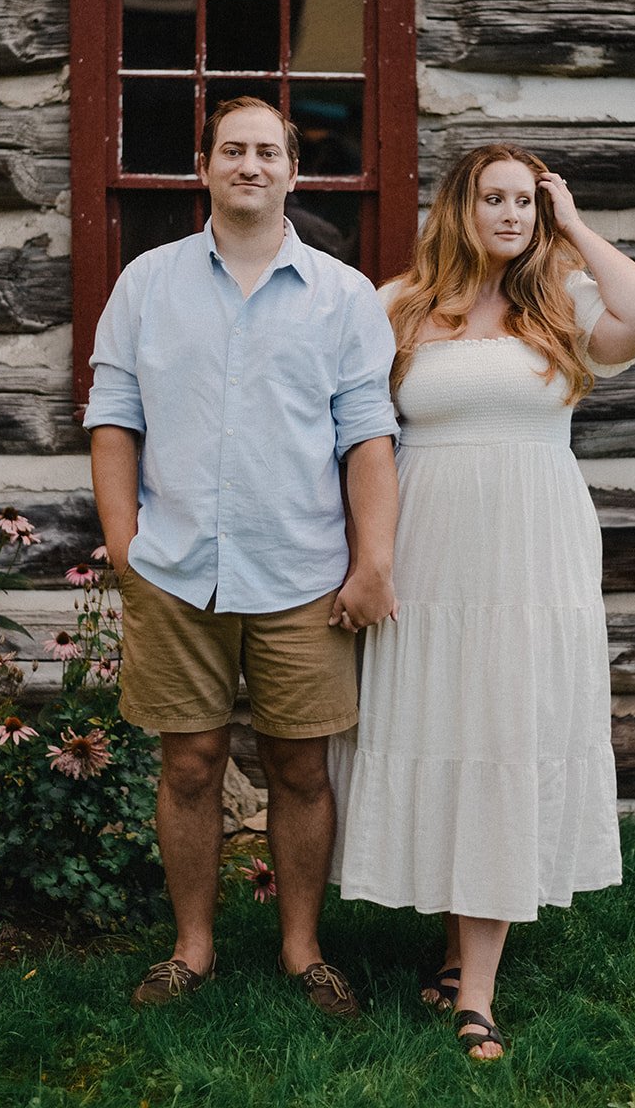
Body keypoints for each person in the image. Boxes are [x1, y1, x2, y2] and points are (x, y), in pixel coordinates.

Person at [335, 143, 635, 1060]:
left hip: (533, 558)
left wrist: (576, 226)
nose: (512, 214)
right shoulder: (398, 305)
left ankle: (475, 994)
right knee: (449, 733)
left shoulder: (566, 303)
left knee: (507, 737)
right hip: (432, 556)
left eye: (527, 201)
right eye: (496, 198)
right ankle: (453, 954)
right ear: (461, 206)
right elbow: (354, 433)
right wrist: (369, 559)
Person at [84, 97, 399, 1017]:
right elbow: (114, 418)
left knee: (300, 769)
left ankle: (303, 950)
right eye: (233, 150)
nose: (250, 164)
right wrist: (122, 542)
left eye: (268, 151)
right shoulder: (148, 283)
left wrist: (370, 560)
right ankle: (193, 948)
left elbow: (367, 437)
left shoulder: (343, 295)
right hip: (176, 566)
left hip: (303, 568)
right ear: (206, 166)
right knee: (188, 763)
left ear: (294, 173)